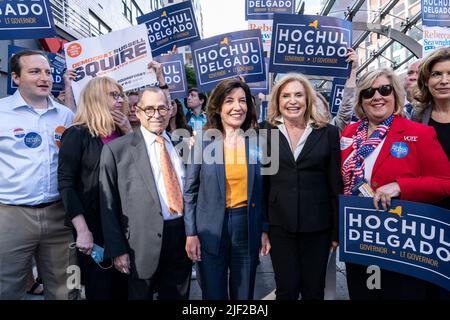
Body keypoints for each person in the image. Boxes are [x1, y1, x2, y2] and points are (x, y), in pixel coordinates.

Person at [341, 68, 450, 300]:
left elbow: (445, 182)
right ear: (361, 99)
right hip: (360, 238)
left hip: (400, 242)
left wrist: (400, 186)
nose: (377, 96)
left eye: (385, 89)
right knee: (363, 294)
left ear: (395, 95)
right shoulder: (350, 133)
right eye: (369, 92)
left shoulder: (419, 133)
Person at [99, 87, 192, 300]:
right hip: (139, 245)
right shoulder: (116, 150)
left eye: (162, 108)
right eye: (149, 109)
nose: (156, 114)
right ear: (138, 111)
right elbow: (108, 205)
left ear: (170, 110)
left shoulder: (184, 145)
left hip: (181, 239)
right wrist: (117, 249)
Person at [0, 50, 77, 300]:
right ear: (15, 77)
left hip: (59, 216)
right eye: (34, 71)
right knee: (6, 289)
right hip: (10, 216)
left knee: (67, 288)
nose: (44, 78)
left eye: (47, 72)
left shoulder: (65, 116)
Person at [184, 79, 271, 300]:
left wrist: (263, 228)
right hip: (210, 228)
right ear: (218, 106)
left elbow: (265, 192)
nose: (237, 106)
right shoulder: (203, 141)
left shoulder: (259, 142)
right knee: (213, 294)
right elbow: (190, 191)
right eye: (230, 100)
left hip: (246, 226)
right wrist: (191, 233)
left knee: (244, 294)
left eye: (242, 101)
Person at [263, 73, 341, 300]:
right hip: (280, 226)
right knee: (285, 290)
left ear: (308, 99)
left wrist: (336, 230)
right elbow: (261, 183)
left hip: (318, 226)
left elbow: (335, 184)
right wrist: (263, 228)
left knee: (313, 290)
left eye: (298, 94)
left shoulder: (328, 132)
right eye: (285, 95)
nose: (292, 101)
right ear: (277, 101)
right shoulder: (264, 132)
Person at [58, 76, 132, 300]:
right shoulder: (76, 134)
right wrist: (82, 230)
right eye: (113, 95)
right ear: (95, 98)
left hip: (125, 223)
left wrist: (129, 129)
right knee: (101, 287)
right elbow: (66, 184)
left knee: (126, 287)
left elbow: (141, 169)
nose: (120, 100)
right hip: (94, 226)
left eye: (120, 95)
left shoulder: (121, 133)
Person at [412, 47, 450, 299]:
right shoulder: (417, 117)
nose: (444, 80)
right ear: (426, 80)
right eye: (437, 74)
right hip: (430, 221)